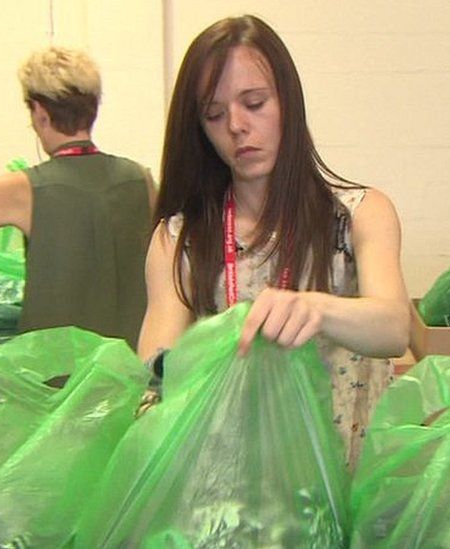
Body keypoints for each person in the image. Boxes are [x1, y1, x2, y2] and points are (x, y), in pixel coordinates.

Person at [137, 15, 411, 468]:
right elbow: (157, 368)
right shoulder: (180, 241)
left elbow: (393, 326)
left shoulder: (358, 215)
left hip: (343, 484)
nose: (237, 126)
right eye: (214, 114)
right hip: (231, 493)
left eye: (255, 103)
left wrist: (314, 308)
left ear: (289, 102)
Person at [0, 46, 154, 347]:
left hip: (54, 382)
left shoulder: (25, 189)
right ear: (93, 109)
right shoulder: (141, 180)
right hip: (130, 376)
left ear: (40, 113)